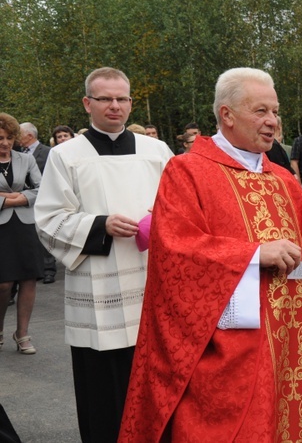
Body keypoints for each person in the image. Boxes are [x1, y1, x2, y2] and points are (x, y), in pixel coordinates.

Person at [119, 68, 302, 442]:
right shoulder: (187, 172)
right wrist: (254, 254)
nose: (273, 121)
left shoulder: (284, 179)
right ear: (226, 115)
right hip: (236, 351)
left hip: (297, 345)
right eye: (260, 111)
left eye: (275, 111)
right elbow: (174, 252)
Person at [34, 67, 173, 443]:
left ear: (130, 103)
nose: (115, 106)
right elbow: (48, 218)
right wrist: (100, 225)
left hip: (151, 283)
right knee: (105, 389)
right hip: (98, 290)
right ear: (87, 104)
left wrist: (157, 219)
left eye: (122, 99)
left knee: (156, 382)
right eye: (105, 99)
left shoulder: (157, 151)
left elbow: (181, 205)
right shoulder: (66, 156)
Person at [0, 113, 43, 355]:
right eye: (0, 138)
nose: (5, 143)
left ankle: (22, 334)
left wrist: (21, 197)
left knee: (28, 278)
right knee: (3, 284)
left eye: (9, 137)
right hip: (1, 226)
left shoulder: (25, 160)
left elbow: (41, 187)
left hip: (25, 224)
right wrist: (9, 200)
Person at [19, 122, 57, 283]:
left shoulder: (49, 152)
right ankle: (34, 269)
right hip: (23, 201)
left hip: (45, 198)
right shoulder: (16, 153)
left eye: (18, 133)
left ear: (29, 135)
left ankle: (49, 269)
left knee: (44, 233)